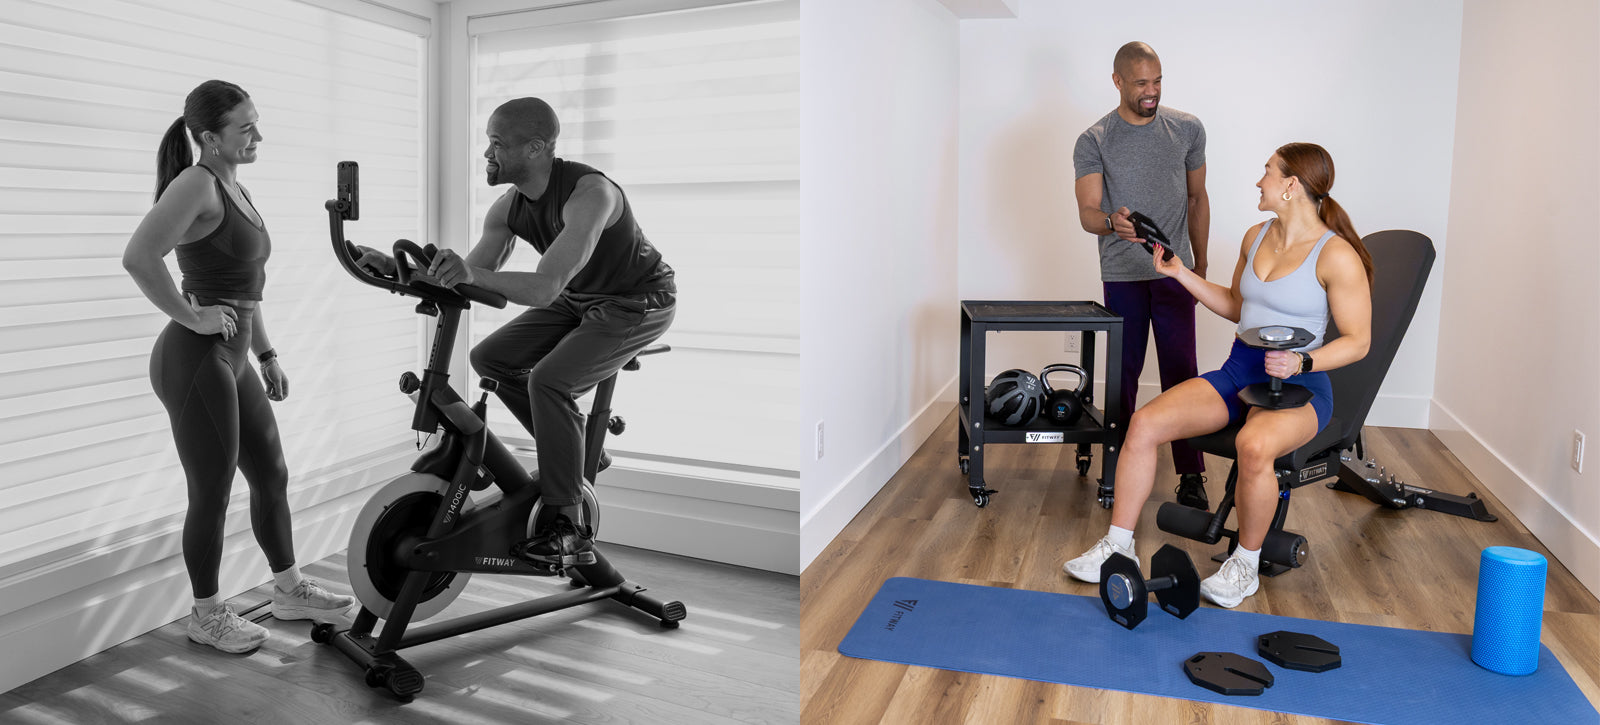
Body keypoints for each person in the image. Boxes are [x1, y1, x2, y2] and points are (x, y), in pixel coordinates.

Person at [356, 97, 675, 568]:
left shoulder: (591, 194)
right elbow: (471, 273)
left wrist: (468, 272)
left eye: (497, 143)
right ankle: (582, 453)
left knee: (549, 380)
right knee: (491, 359)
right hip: (580, 298)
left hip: (637, 300)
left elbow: (545, 286)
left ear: (536, 147)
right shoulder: (509, 207)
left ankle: (567, 528)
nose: (488, 152)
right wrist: (398, 268)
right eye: (488, 141)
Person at [1063, 142, 1373, 608]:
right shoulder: (1256, 236)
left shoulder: (1336, 256)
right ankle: (1118, 545)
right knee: (1145, 424)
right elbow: (1236, 307)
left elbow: (1358, 340)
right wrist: (1179, 273)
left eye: (1267, 172)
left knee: (1252, 446)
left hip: (1300, 386)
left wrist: (1302, 362)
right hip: (1240, 370)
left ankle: (1245, 564)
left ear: (1291, 185)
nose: (1258, 181)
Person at [123, 80, 354, 654]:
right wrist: (192, 317)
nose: (257, 135)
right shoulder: (196, 183)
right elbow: (138, 257)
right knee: (212, 490)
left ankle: (287, 590)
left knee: (271, 474)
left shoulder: (234, 186)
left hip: (232, 354)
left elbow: (241, 291)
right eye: (245, 127)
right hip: (196, 358)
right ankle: (206, 615)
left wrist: (265, 352)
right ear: (209, 137)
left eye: (256, 122)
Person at [1073, 41, 1212, 510]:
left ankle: (1191, 474)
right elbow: (1088, 213)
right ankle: (1118, 465)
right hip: (1123, 274)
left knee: (1182, 375)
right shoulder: (1094, 140)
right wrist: (1114, 221)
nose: (1150, 92)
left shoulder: (1188, 129)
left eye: (1156, 81)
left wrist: (1201, 264)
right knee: (1124, 376)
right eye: (1140, 84)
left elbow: (1197, 198)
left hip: (1175, 273)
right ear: (1117, 82)